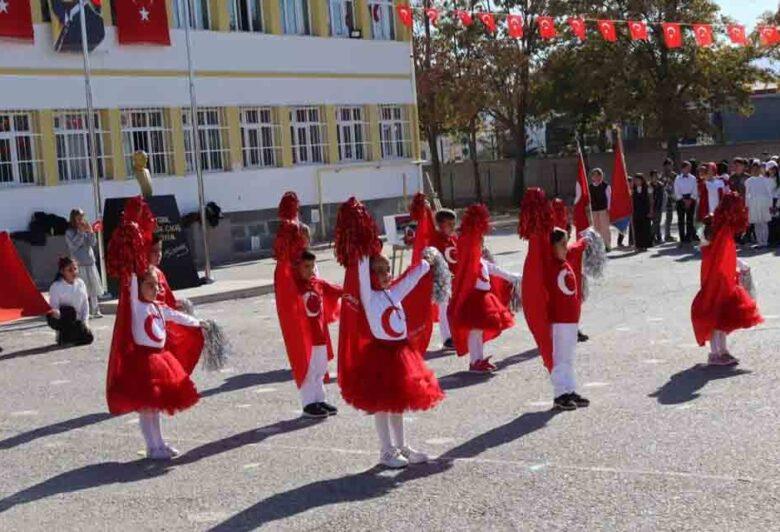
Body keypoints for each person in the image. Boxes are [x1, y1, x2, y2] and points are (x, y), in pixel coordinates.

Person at [335, 197, 443, 469]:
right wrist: (360, 239)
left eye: (386, 270)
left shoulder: (391, 293)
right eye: (379, 271)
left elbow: (409, 279)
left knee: (399, 404)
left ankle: (402, 446)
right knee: (383, 405)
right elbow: (361, 269)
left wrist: (427, 262)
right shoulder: (369, 297)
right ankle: (386, 451)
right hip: (381, 357)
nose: (385, 274)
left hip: (400, 354)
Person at [106, 197, 207, 460]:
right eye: (152, 286)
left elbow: (174, 315)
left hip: (158, 359)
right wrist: (132, 234)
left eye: (158, 286)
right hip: (144, 362)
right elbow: (129, 278)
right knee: (147, 409)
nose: (158, 290)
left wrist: (198, 322)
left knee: (155, 409)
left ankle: (159, 443)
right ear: (140, 288)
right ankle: (152, 447)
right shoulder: (137, 303)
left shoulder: (155, 306)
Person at [519, 189, 590, 411]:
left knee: (568, 357)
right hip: (558, 319)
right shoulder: (549, 263)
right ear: (552, 247)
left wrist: (585, 240)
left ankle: (569, 389)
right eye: (562, 244)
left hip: (570, 318)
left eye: (566, 244)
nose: (565, 247)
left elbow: (575, 249)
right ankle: (560, 395)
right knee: (559, 358)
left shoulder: (564, 260)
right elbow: (538, 246)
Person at [691, 195, 763, 366]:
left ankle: (722, 351)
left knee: (722, 317)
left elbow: (727, 255)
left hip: (723, 281)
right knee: (716, 318)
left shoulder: (720, 236)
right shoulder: (715, 238)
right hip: (715, 284)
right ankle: (715, 353)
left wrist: (739, 265)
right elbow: (721, 255)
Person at [449, 204, 519, 373]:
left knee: (478, 332)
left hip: (484, 299)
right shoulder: (468, 261)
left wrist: (514, 277)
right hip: (474, 301)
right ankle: (475, 361)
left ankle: (478, 359)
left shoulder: (480, 261)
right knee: (475, 332)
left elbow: (496, 270)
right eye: (478, 242)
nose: (480, 245)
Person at [47, 256, 94, 346]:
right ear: (62, 272)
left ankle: (71, 336)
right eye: (69, 270)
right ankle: (62, 335)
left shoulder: (81, 283)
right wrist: (56, 313)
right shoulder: (56, 286)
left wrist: (85, 322)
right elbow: (54, 307)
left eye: (75, 269)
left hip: (77, 319)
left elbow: (85, 304)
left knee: (88, 338)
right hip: (62, 318)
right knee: (70, 311)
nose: (74, 272)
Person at [65, 209, 103, 318]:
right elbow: (73, 246)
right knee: (82, 288)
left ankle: (96, 309)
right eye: (78, 218)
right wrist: (81, 233)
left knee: (93, 287)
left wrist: (91, 232)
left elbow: (93, 243)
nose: (81, 220)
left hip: (90, 261)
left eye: (82, 217)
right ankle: (83, 311)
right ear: (73, 219)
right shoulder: (69, 232)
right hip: (79, 263)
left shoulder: (85, 227)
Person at [431, 209, 458, 350]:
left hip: (454, 279)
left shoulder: (453, 239)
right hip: (441, 280)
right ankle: (447, 338)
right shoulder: (435, 239)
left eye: (454, 224)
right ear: (440, 225)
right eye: (449, 224)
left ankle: (454, 333)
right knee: (443, 308)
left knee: (452, 307)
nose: (453, 227)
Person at [745, 160, 777, 248]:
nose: (755, 170)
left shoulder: (766, 180)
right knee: (757, 223)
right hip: (753, 204)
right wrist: (747, 206)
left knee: (764, 223)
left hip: (764, 204)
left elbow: (770, 193)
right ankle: (759, 242)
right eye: (753, 169)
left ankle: (765, 242)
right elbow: (747, 194)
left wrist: (770, 205)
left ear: (760, 169)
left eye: (757, 168)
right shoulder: (748, 181)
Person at [674, 161, 698, 245]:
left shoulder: (693, 178)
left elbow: (695, 190)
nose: (689, 169)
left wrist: (691, 199)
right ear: (683, 168)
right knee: (681, 219)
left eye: (690, 168)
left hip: (691, 198)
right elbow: (676, 191)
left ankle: (689, 237)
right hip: (681, 199)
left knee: (690, 219)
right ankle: (682, 237)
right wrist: (683, 200)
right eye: (688, 168)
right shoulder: (677, 178)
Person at [588, 168, 612, 251]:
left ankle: (607, 246)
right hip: (594, 210)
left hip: (603, 209)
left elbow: (609, 198)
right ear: (592, 177)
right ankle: (598, 246)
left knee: (605, 228)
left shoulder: (606, 186)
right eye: (594, 175)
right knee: (596, 228)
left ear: (601, 176)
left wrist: (608, 209)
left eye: (598, 175)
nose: (596, 177)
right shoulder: (590, 187)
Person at [631, 173, 654, 251]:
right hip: (636, 212)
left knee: (646, 229)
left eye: (638, 180)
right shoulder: (632, 189)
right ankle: (638, 245)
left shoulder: (648, 188)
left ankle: (645, 245)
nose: (637, 182)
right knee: (638, 229)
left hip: (645, 212)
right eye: (635, 180)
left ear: (642, 180)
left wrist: (651, 211)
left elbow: (651, 200)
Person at [662, 158, 677, 242]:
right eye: (668, 165)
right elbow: (664, 187)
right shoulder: (663, 176)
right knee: (668, 218)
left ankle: (668, 235)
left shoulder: (674, 175)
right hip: (667, 199)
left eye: (670, 165)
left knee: (671, 218)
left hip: (675, 198)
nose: (669, 167)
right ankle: (666, 235)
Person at [649, 170, 666, 245]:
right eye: (653, 176)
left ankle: (658, 237)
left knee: (657, 222)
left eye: (656, 176)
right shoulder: (649, 186)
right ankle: (651, 237)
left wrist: (662, 205)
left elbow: (663, 196)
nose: (655, 178)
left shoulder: (660, 185)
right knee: (655, 223)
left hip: (659, 206)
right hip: (652, 206)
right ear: (651, 177)